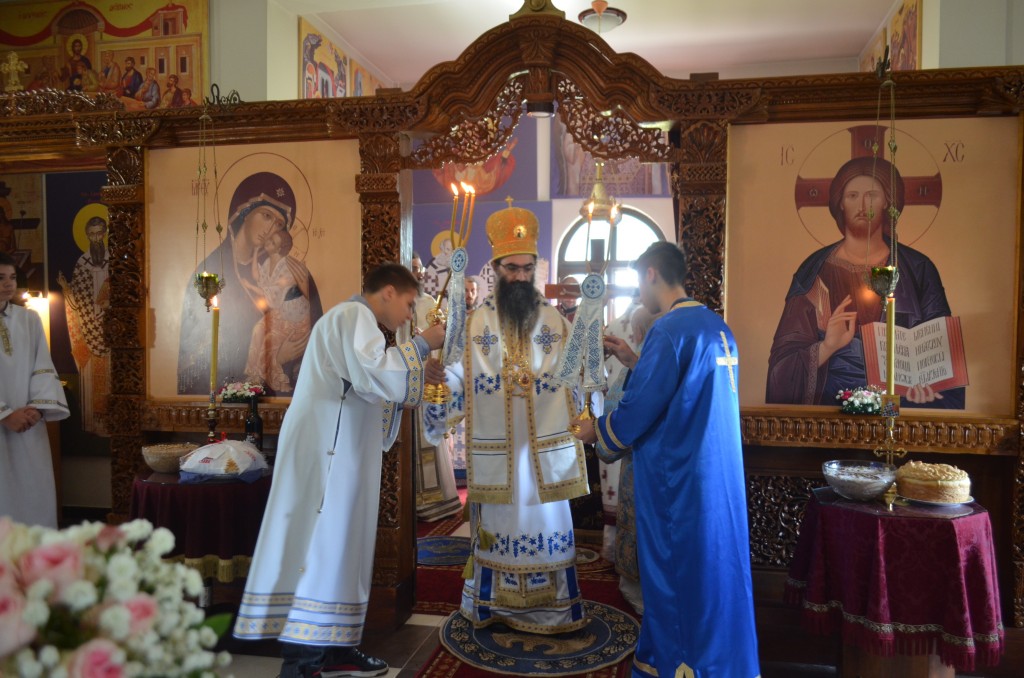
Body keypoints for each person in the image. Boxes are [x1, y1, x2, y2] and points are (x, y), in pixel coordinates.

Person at [233, 262, 447, 678]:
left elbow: (370, 386)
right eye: (408, 304)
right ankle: (303, 663)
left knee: (342, 546)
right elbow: (373, 374)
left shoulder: (357, 322)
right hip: (327, 450)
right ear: (388, 292)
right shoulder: (353, 315)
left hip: (340, 449)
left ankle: (335, 649)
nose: (409, 315)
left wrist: (417, 374)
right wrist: (422, 346)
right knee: (320, 546)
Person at [573, 242, 760, 677]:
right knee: (714, 575)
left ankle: (677, 665)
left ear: (651, 273)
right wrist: (633, 360)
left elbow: (640, 409)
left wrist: (596, 430)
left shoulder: (670, 330)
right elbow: (685, 393)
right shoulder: (717, 328)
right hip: (717, 480)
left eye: (640, 282)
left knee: (677, 579)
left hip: (679, 482)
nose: (641, 294)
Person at [423, 203, 589, 633]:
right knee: (498, 525)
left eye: (526, 268)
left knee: (546, 523)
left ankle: (552, 608)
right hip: (497, 456)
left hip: (543, 455)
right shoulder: (476, 323)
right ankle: (494, 605)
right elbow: (459, 376)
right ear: (496, 269)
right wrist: (440, 381)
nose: (519, 276)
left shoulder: (554, 321)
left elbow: (577, 377)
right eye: (511, 268)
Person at [766, 156, 964, 408]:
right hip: (829, 411)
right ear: (840, 202)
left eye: (871, 195)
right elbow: (782, 367)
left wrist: (929, 385)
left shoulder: (918, 268)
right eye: (852, 196)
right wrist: (827, 346)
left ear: (887, 202)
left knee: (897, 420)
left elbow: (942, 352)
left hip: (898, 405)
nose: (862, 205)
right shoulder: (814, 271)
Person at [178, 171, 323, 396]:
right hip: (226, 402)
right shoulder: (210, 272)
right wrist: (276, 357)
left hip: (281, 404)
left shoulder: (291, 271)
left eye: (279, 223)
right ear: (244, 211)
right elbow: (196, 357)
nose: (270, 228)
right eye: (266, 215)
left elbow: (315, 338)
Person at [593, 305, 658, 616]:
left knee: (640, 525)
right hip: (669, 467)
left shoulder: (637, 370)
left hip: (641, 466)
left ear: (639, 332)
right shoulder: (661, 362)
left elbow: (619, 411)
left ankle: (638, 591)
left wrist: (596, 433)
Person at [0, 252, 70, 529]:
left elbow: (42, 364)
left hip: (28, 424)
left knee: (33, 491)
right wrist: (6, 415)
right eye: (0, 278)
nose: (8, 284)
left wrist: (37, 409)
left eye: (12, 277)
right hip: (5, 420)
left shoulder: (29, 319)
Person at [407, 251, 461, 521]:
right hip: (404, 385)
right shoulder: (394, 306)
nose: (419, 273)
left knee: (430, 442)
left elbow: (443, 345)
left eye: (420, 268)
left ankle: (435, 501)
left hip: (427, 384)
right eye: (413, 268)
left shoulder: (429, 303)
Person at [57, 216, 111, 433]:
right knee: (92, 380)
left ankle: (112, 424)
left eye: (100, 233)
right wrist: (66, 289)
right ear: (87, 236)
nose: (96, 238)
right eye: (92, 234)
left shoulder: (115, 260)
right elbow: (77, 302)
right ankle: (93, 426)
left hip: (111, 329)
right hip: (90, 328)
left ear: (105, 234)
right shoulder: (82, 263)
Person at [244, 229, 313, 393]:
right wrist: (255, 252)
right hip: (281, 313)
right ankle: (253, 375)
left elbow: (272, 294)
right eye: (269, 240)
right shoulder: (268, 263)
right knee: (257, 330)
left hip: (295, 319)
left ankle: (267, 381)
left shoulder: (288, 268)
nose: (267, 243)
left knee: (269, 340)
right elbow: (258, 277)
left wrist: (249, 287)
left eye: (272, 242)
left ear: (280, 248)